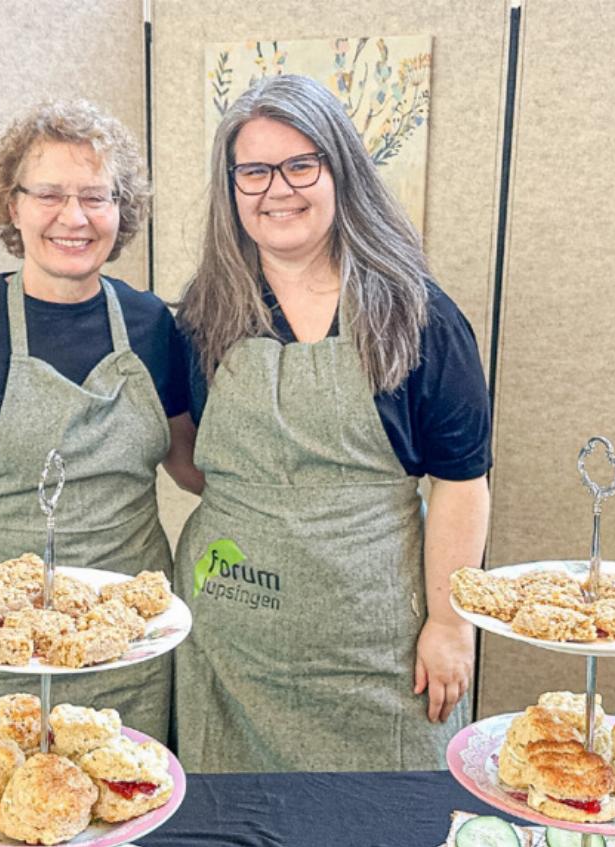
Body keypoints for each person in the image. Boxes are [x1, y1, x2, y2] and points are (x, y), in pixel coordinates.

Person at [175, 74, 492, 772]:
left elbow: (462, 484)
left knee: (382, 839)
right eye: (254, 170)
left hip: (378, 647)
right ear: (231, 186)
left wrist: (449, 624)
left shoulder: (418, 316)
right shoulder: (204, 314)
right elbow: (189, 449)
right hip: (231, 645)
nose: (276, 189)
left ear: (340, 171)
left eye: (300, 165)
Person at [0, 101, 201, 742]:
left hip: (132, 647)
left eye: (96, 196)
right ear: (13, 205)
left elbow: (189, 464)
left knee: (127, 807)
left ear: (122, 209)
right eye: (51, 195)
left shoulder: (152, 327)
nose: (75, 217)